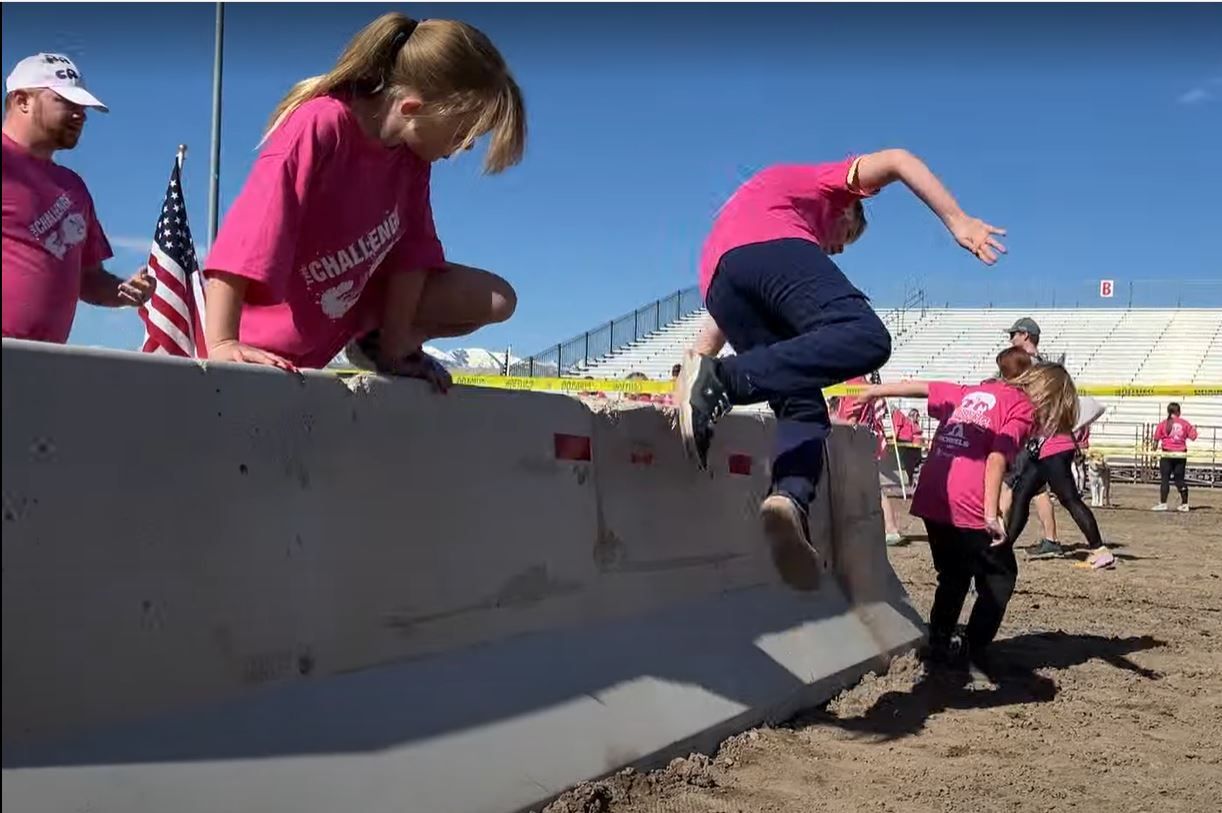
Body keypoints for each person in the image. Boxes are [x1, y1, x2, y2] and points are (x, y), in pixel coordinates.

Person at [674, 149, 1005, 590]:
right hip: (767, 246)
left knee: (801, 402)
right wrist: (957, 221)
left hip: (716, 279)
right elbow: (898, 159)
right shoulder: (824, 184)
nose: (834, 249)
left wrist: (686, 381)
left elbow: (713, 329)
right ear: (848, 205)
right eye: (844, 237)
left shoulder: (743, 215)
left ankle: (788, 500)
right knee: (864, 336)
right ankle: (729, 383)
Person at [201, 13, 524, 387]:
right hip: (261, 338)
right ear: (412, 109)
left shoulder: (412, 161)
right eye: (463, 131)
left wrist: (395, 348)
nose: (467, 145)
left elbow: (413, 256)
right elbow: (249, 235)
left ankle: (373, 344)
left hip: (339, 315)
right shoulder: (321, 125)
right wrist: (223, 342)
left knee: (497, 299)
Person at [858, 347, 1036, 669]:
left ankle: (939, 642)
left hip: (933, 494)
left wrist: (875, 391)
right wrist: (990, 514)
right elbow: (997, 457)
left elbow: (920, 386)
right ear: (1029, 378)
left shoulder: (968, 392)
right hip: (969, 500)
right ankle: (975, 651)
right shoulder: (1021, 405)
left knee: (953, 574)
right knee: (999, 577)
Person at [2, 53, 155, 343]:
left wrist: (123, 290)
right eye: (66, 102)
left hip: (47, 366)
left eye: (82, 106)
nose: (80, 114)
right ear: (22, 101)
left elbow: (87, 278)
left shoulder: (73, 187)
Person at [1004, 364, 1114, 570]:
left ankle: (1100, 550)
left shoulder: (1048, 402)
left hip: (1053, 452)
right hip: (1048, 452)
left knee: (1069, 499)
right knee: (1022, 493)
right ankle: (1004, 546)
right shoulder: (1056, 401)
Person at [999, 317, 1063, 558]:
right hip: (1041, 435)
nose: (1011, 339)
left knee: (1005, 484)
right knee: (1038, 489)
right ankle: (1051, 539)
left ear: (1025, 335)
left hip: (1023, 433)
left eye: (1014, 334)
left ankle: (998, 538)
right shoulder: (1045, 365)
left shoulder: (1022, 365)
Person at [833, 376, 906, 546]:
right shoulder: (863, 385)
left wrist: (832, 424)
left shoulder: (853, 386)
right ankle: (886, 528)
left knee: (870, 488)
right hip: (864, 440)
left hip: (855, 441)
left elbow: (850, 419)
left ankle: (890, 528)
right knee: (869, 488)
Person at [1152, 402, 1197, 512]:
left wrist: (1153, 451)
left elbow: (1155, 441)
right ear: (1178, 412)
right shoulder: (1185, 423)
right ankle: (1185, 503)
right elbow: (1193, 437)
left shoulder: (1163, 424)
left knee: (1165, 479)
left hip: (1167, 453)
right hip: (1180, 454)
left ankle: (1163, 503)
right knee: (1179, 479)